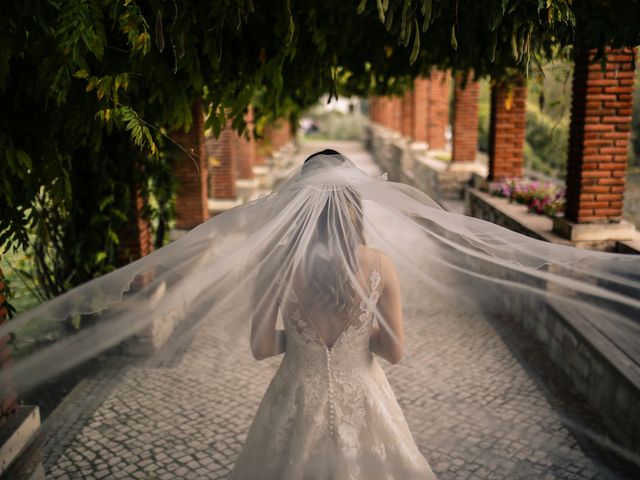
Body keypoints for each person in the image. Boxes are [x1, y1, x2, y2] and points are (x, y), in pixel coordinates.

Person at [230, 150, 436, 479]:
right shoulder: (380, 264)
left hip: (295, 400)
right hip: (363, 400)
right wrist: (358, 337)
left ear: (299, 205)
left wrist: (301, 341)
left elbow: (262, 347)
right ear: (353, 205)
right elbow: (395, 352)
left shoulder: (275, 263)